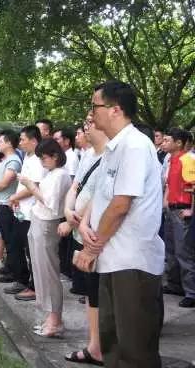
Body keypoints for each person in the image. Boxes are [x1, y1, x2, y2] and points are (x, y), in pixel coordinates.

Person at [75, 81, 164, 368]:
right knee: (112, 342)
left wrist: (91, 248)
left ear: (115, 110)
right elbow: (100, 196)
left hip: (132, 261)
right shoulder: (113, 149)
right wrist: (85, 224)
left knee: (134, 349)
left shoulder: (135, 145)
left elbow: (120, 205)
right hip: (112, 258)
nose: (91, 113)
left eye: (95, 106)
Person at [61, 116, 108, 366]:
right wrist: (68, 211)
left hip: (97, 236)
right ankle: (95, 345)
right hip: (82, 233)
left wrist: (72, 221)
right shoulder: (88, 154)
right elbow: (75, 187)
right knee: (90, 292)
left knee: (99, 292)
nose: (86, 126)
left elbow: (100, 196)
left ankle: (99, 347)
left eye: (91, 121)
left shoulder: (112, 155)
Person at [19, 139, 72, 338]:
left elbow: (50, 203)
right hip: (39, 221)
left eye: (44, 158)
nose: (42, 162)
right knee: (40, 272)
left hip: (47, 224)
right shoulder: (52, 173)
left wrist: (30, 185)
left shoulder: (61, 175)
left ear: (55, 156)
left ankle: (55, 319)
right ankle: (51, 317)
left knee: (48, 272)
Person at [5, 125, 45, 301]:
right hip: (21, 211)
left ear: (34, 140)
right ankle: (22, 280)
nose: (19, 143)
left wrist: (14, 197)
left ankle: (35, 287)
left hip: (31, 213)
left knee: (32, 253)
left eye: (22, 139)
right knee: (16, 247)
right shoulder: (27, 157)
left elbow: (33, 186)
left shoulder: (38, 160)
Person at [162, 128, 195, 307]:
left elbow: (193, 186)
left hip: (182, 211)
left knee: (184, 252)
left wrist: (191, 210)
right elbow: (169, 185)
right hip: (171, 210)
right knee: (171, 249)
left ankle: (191, 292)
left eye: (167, 140)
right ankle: (175, 285)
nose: (163, 142)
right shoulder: (171, 160)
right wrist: (165, 203)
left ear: (179, 143)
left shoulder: (187, 160)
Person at [0, 130, 22, 283]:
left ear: (9, 143)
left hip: (8, 205)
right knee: (7, 239)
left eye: (1, 141)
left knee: (11, 241)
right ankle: (9, 266)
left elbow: (5, 182)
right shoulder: (7, 159)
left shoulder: (13, 160)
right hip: (2, 203)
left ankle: (15, 273)